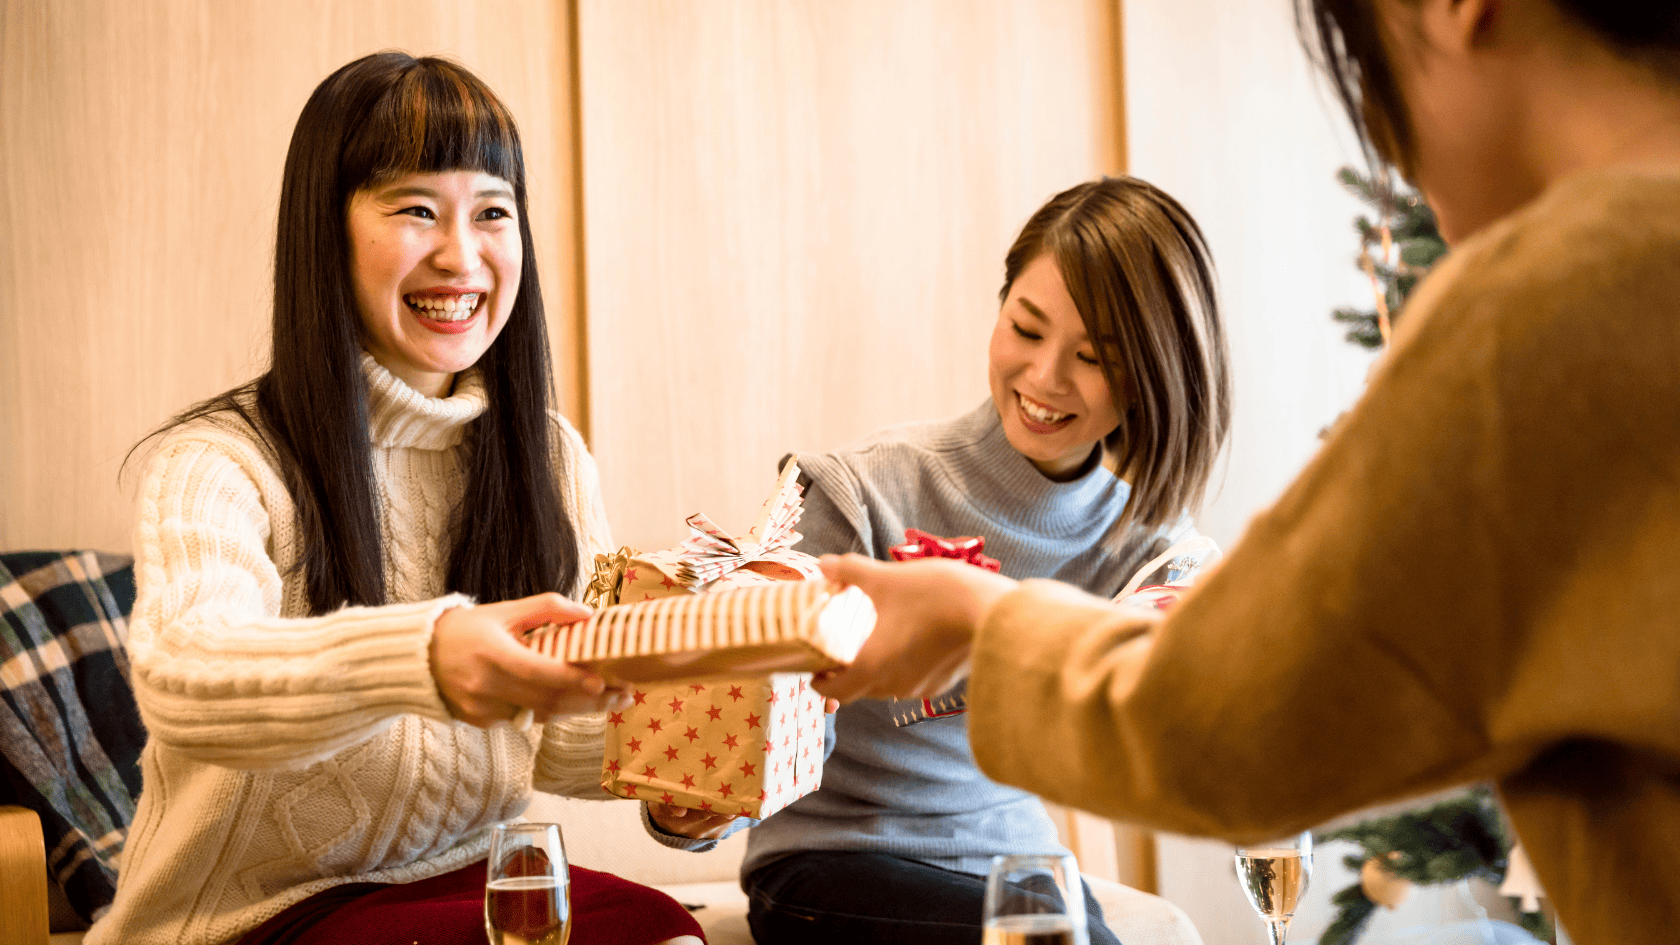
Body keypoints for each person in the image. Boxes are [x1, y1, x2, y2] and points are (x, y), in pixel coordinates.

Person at [810, 0, 1680, 942]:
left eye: (1361, 61)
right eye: (1026, 327)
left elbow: (1221, 725)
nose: (1390, 141)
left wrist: (975, 618)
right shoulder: (859, 488)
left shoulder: (1558, 308)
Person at [95, 52, 705, 945]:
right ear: (327, 231)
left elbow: (557, 733)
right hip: (244, 917)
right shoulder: (220, 459)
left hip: (464, 877)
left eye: (493, 212)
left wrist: (686, 765)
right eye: (416, 210)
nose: (462, 256)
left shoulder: (546, 454)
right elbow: (187, 679)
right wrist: (430, 650)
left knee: (664, 932)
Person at [650, 177, 1231, 945]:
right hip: (832, 866)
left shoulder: (1155, 551)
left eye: (1093, 356)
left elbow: (1164, 717)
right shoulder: (858, 492)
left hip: (1027, 872)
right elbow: (747, 723)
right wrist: (689, 806)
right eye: (1025, 329)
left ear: (1155, 377)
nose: (1046, 378)